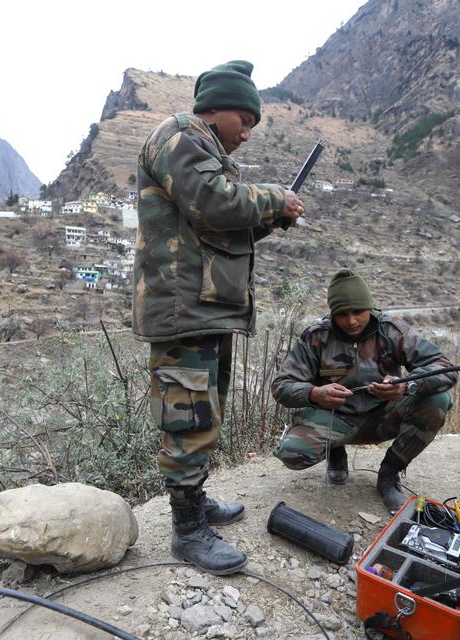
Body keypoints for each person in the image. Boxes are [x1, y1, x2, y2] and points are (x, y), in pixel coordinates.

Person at [132, 60, 305, 575]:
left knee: (204, 413)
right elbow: (212, 202)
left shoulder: (203, 149)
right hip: (184, 309)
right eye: (245, 121)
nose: (248, 134)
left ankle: (195, 503)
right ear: (218, 108)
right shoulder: (181, 134)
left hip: (205, 309)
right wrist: (275, 196)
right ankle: (187, 533)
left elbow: (226, 230)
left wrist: (271, 218)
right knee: (187, 417)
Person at [271, 269, 457, 512]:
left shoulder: (393, 330)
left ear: (369, 308)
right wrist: (314, 393)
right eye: (342, 314)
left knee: (438, 399)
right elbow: (281, 385)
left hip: (383, 417)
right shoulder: (315, 337)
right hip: (334, 419)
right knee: (293, 454)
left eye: (358, 312)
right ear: (332, 313)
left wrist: (407, 385)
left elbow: (445, 368)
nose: (351, 321)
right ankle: (335, 450)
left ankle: (389, 474)